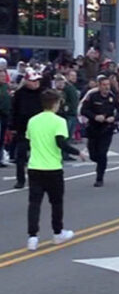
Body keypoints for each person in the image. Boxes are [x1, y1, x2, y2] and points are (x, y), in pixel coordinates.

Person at [25, 89, 87, 251]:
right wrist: (78, 152)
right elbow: (61, 143)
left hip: (35, 166)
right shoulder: (59, 121)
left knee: (34, 203)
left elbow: (28, 141)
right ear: (55, 104)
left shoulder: (33, 121)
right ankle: (57, 232)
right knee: (56, 202)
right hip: (52, 167)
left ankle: (33, 236)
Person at [79, 75, 119, 187]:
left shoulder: (113, 98)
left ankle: (99, 177)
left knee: (102, 153)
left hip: (107, 129)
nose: (106, 87)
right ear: (99, 86)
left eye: (108, 85)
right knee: (93, 155)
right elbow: (84, 110)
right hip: (93, 128)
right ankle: (100, 163)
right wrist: (94, 117)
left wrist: (114, 118)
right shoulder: (93, 96)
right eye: (104, 85)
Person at [10, 70, 43, 189]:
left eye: (37, 80)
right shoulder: (19, 94)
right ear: (27, 81)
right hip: (23, 129)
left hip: (39, 130)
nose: (36, 83)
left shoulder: (43, 93)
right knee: (21, 156)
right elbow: (13, 110)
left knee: (38, 156)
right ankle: (20, 180)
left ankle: (38, 179)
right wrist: (12, 126)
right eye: (33, 81)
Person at [0, 68, 9, 167]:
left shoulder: (6, 87)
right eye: (1, 76)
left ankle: (1, 158)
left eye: (4, 76)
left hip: (5, 115)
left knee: (2, 138)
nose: (3, 78)